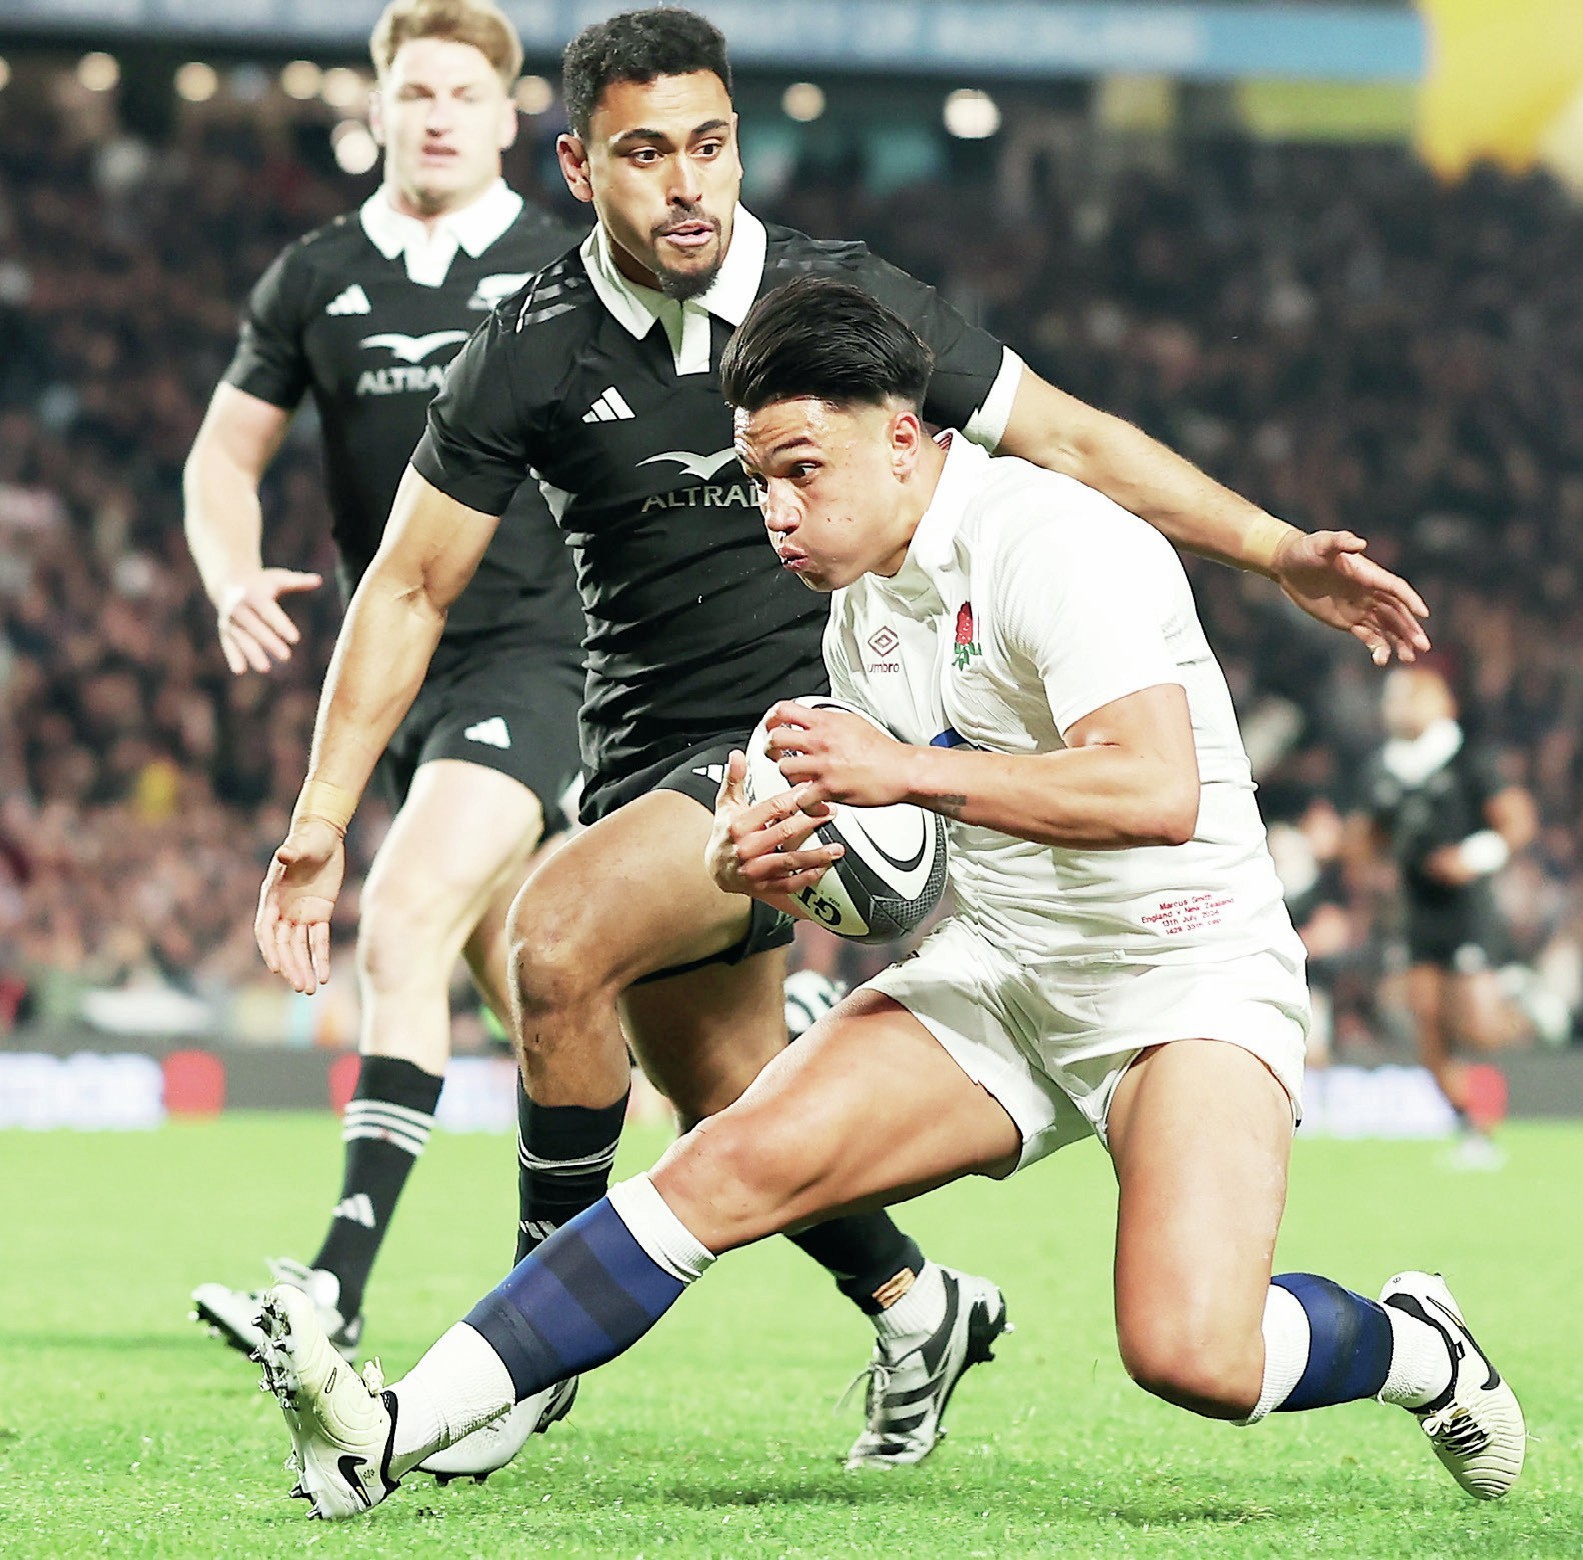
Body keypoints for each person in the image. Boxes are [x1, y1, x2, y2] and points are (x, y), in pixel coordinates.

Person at [251, 7, 1432, 1473]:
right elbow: (408, 584)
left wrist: (1268, 548)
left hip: (960, 837)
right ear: (577, 167)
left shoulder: (896, 372)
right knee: (726, 1121)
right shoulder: (543, 354)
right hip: (742, 781)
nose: (687, 182)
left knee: (553, 941)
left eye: (710, 145)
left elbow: (1068, 448)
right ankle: (904, 1309)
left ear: (906, 433)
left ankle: (517, 1382)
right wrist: (320, 818)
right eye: (645, 153)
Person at [183, 0, 587, 1408]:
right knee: (561, 1012)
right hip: (398, 679)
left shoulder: (564, 269)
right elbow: (221, 460)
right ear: (380, 107)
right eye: (416, 91)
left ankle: (331, 1288)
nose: (437, 115)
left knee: (401, 921)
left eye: (464, 94)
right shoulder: (317, 276)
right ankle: (907, 1290)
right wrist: (230, 572)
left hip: (540, 657)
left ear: (506, 117)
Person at [1348, 667, 1537, 1169]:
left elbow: (1517, 821)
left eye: (1409, 697)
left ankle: (1536, 1014)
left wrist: (1472, 858)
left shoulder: (1469, 759)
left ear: (1440, 703)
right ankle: (1471, 1125)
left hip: (1466, 908)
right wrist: (1358, 858)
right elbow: (1367, 835)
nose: (1397, 708)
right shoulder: (1384, 768)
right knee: (1426, 1022)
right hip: (1416, 910)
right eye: (1393, 699)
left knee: (1477, 1025)